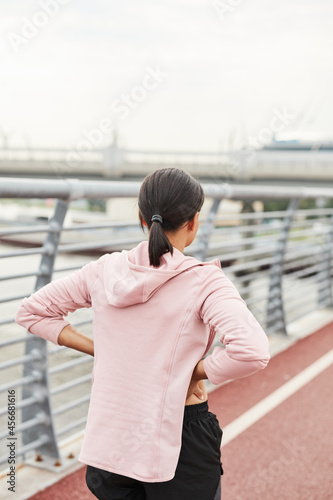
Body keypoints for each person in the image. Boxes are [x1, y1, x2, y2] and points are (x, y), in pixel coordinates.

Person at [15, 168, 270, 500]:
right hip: (181, 434)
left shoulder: (103, 270)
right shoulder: (205, 282)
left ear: (141, 217)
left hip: (112, 432)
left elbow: (31, 311)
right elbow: (251, 350)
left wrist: (103, 351)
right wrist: (192, 370)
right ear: (193, 222)